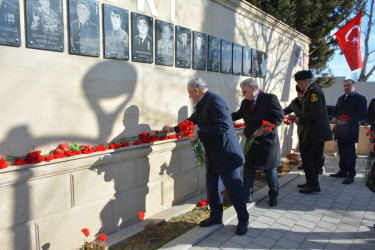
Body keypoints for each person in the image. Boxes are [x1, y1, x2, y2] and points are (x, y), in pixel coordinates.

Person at [163, 78, 249, 236]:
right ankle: (216, 216)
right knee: (212, 188)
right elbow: (192, 120)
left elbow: (224, 126)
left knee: (234, 189)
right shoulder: (201, 103)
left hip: (226, 154)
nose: (189, 96)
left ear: (196, 91)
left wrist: (199, 134)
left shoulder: (215, 101)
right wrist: (175, 129)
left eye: (189, 93)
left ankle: (243, 219)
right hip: (212, 154)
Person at [231, 78, 284, 207]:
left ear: (253, 89)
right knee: (248, 169)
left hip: (267, 143)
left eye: (244, 92)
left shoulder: (270, 99)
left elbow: (279, 117)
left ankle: (273, 196)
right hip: (251, 142)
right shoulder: (245, 103)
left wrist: (264, 130)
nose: (243, 95)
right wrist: (222, 114)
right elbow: (237, 115)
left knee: (270, 171)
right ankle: (247, 196)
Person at [294, 70, 332, 194]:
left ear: (305, 81)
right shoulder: (311, 90)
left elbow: (316, 112)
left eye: (299, 83)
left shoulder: (313, 92)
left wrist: (301, 119)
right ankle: (312, 182)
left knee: (307, 157)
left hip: (315, 132)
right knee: (314, 158)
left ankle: (313, 185)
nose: (298, 85)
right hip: (317, 132)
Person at [330, 79, 367, 184]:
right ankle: (343, 171)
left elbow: (362, 114)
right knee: (341, 152)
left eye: (349, 85)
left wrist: (347, 122)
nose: (346, 87)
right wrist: (334, 118)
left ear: (354, 86)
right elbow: (336, 111)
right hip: (340, 130)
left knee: (350, 153)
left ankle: (351, 175)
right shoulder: (341, 98)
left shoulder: (360, 98)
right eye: (345, 85)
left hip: (351, 130)